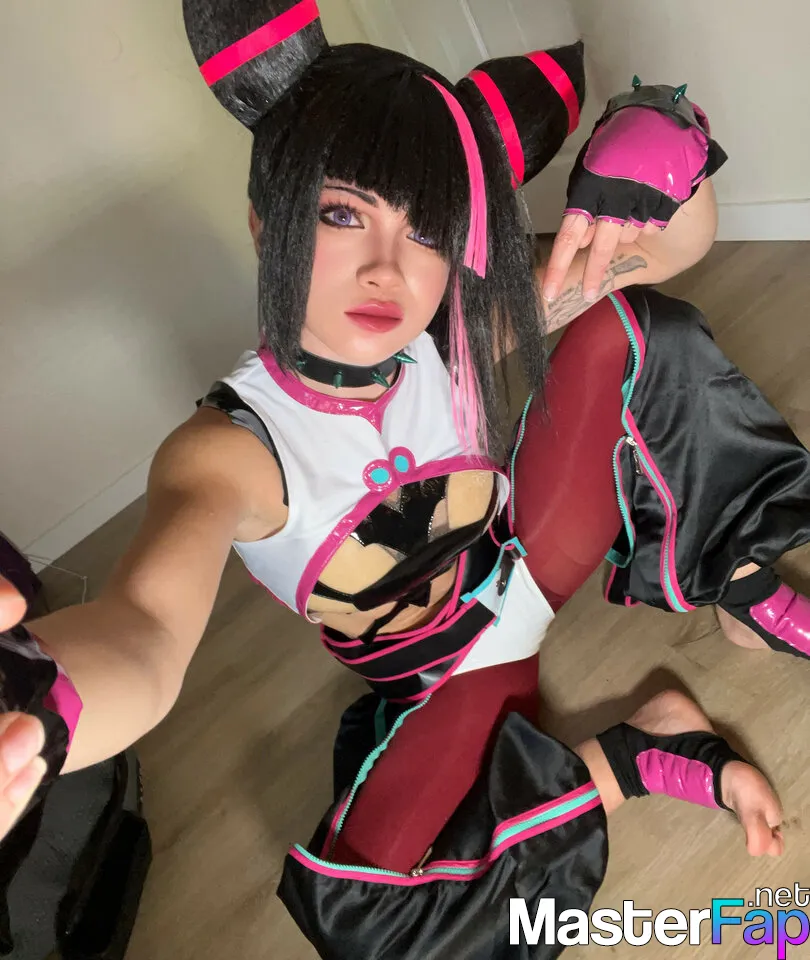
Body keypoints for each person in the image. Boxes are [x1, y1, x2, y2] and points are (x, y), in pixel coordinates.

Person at [2, 1, 809, 956]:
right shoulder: (227, 452)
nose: (387, 269)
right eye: (343, 214)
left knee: (634, 330)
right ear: (267, 223)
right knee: (370, 918)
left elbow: (663, 251)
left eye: (426, 229)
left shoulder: (449, 336)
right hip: (449, 673)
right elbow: (143, 630)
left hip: (529, 563)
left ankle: (738, 584)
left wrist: (660, 134)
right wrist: (38, 705)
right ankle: (641, 754)